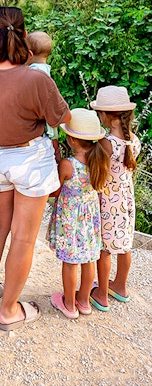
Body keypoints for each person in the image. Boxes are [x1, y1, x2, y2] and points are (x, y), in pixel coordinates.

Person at [0, 6, 70, 330]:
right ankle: (9, 310)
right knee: (24, 238)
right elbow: (62, 117)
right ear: (25, 37)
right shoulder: (35, 78)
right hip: (30, 161)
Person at [47, 108, 109, 319]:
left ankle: (69, 304)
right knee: (89, 259)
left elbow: (55, 191)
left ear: (72, 140)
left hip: (71, 219)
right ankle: (83, 301)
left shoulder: (68, 164)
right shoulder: (99, 160)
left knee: (70, 261)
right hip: (90, 218)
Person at [89, 85, 141, 311]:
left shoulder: (106, 143)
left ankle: (101, 294)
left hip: (109, 203)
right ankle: (120, 286)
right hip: (127, 202)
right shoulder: (133, 140)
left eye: (100, 112)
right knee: (124, 245)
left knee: (105, 249)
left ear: (107, 115)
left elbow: (97, 175)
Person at [27, 31, 61, 162]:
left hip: (44, 129)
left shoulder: (33, 73)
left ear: (29, 54)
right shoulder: (46, 70)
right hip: (51, 126)